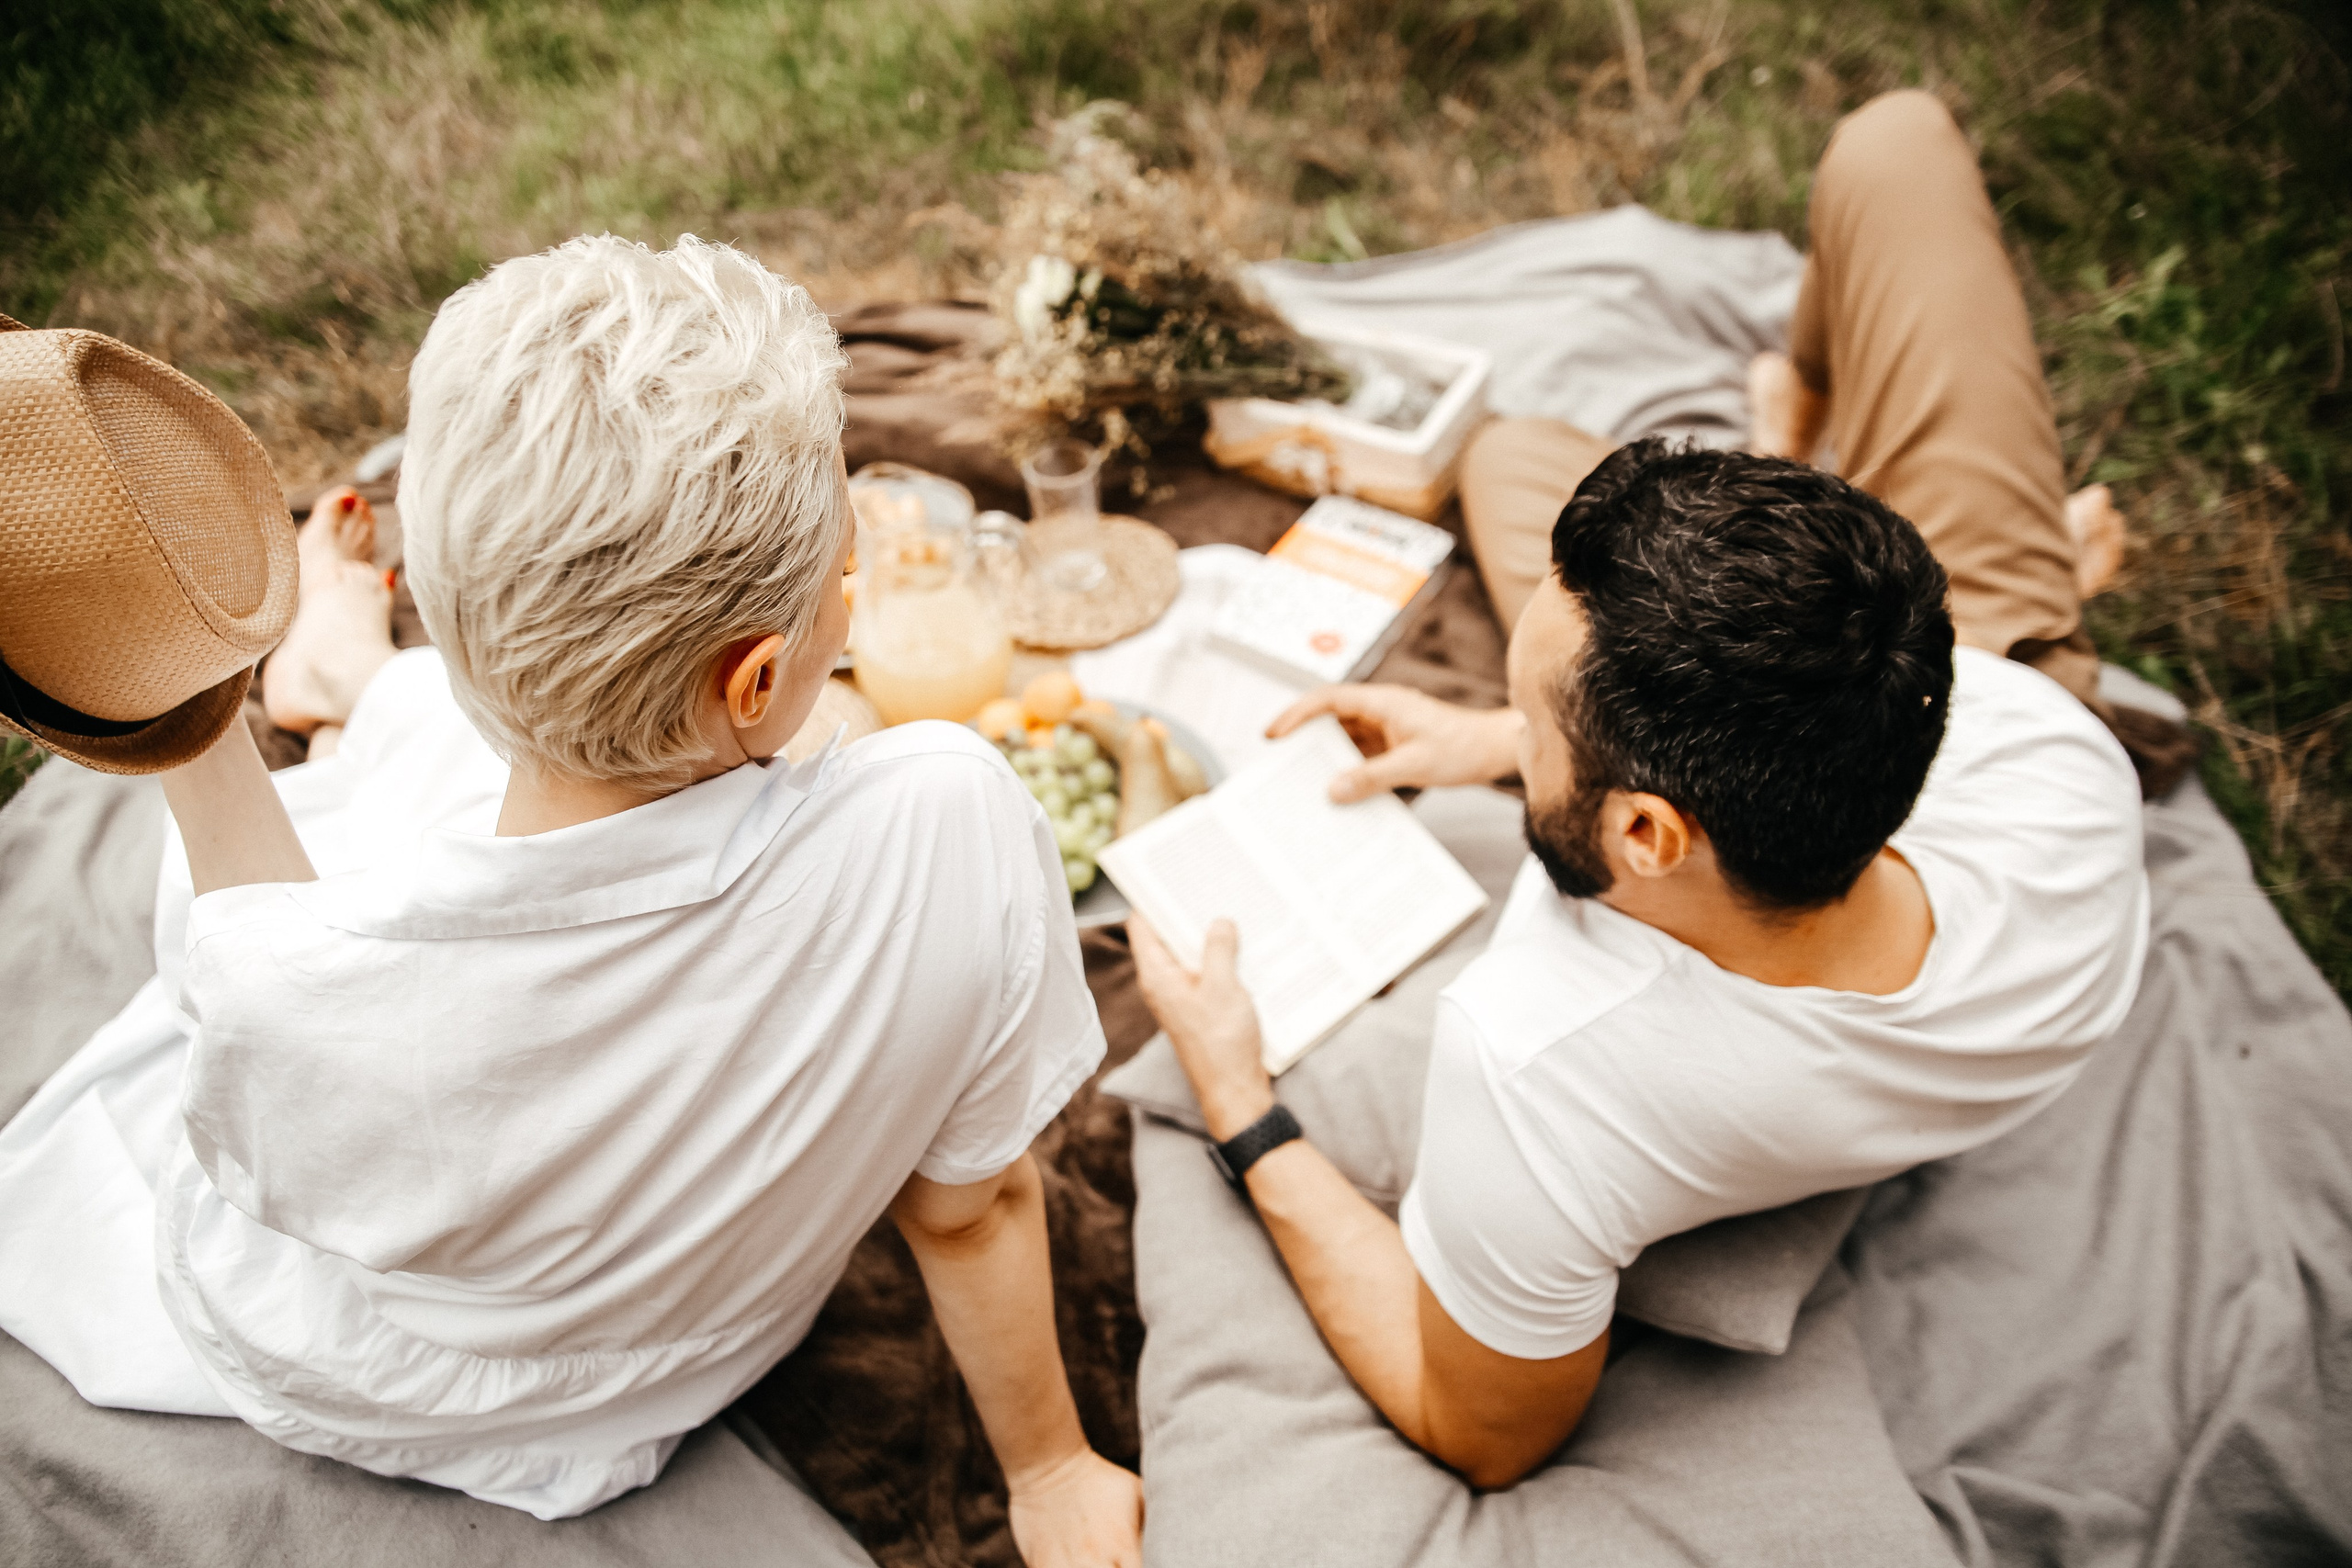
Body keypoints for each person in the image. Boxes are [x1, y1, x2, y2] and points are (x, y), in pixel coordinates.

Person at [0, 235, 1142, 1561]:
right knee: (453, 771)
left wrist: (190, 712)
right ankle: (346, 678)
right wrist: (1051, 1467)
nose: (852, 590)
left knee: (413, 774)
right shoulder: (956, 815)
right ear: (760, 682)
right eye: (846, 578)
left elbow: (245, 970)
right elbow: (973, 1205)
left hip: (421, 1372)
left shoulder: (294, 993)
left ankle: (294, 693)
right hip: (695, 1348)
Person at [1128, 89, 2152, 1490]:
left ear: (1645, 835)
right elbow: (1965, 701)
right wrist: (1506, 743)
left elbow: (1482, 1429)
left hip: (1945, 662)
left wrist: (1242, 1102)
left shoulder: (1546, 1068)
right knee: (1894, 140)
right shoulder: (2027, 749)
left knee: (1501, 452)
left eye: (1529, 717)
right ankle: (1821, 455)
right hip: (2003, 649)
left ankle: (1854, 488)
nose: (1502, 716)